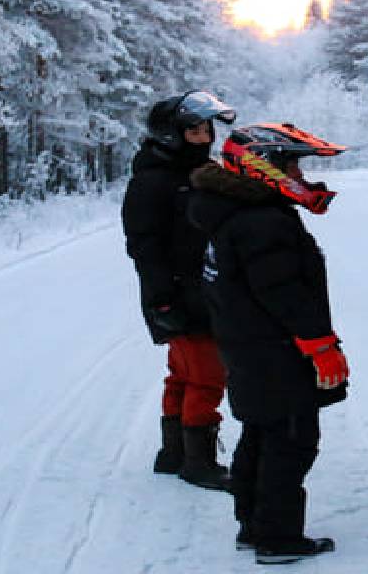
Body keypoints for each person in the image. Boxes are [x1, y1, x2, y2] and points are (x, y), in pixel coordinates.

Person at [188, 123, 349, 564]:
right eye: (291, 163)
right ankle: (277, 537)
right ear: (264, 166)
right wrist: (320, 344)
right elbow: (283, 292)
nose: (299, 172)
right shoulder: (261, 222)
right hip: (276, 349)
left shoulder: (237, 212)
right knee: (291, 440)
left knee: (260, 433)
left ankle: (253, 525)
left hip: (248, 345)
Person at [121, 90, 236, 492]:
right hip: (179, 294)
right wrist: (162, 299)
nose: (205, 138)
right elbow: (144, 246)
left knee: (182, 373)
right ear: (171, 135)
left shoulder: (193, 173)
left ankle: (173, 453)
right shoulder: (154, 181)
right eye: (195, 132)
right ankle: (199, 461)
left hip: (196, 289)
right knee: (207, 374)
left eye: (207, 130)